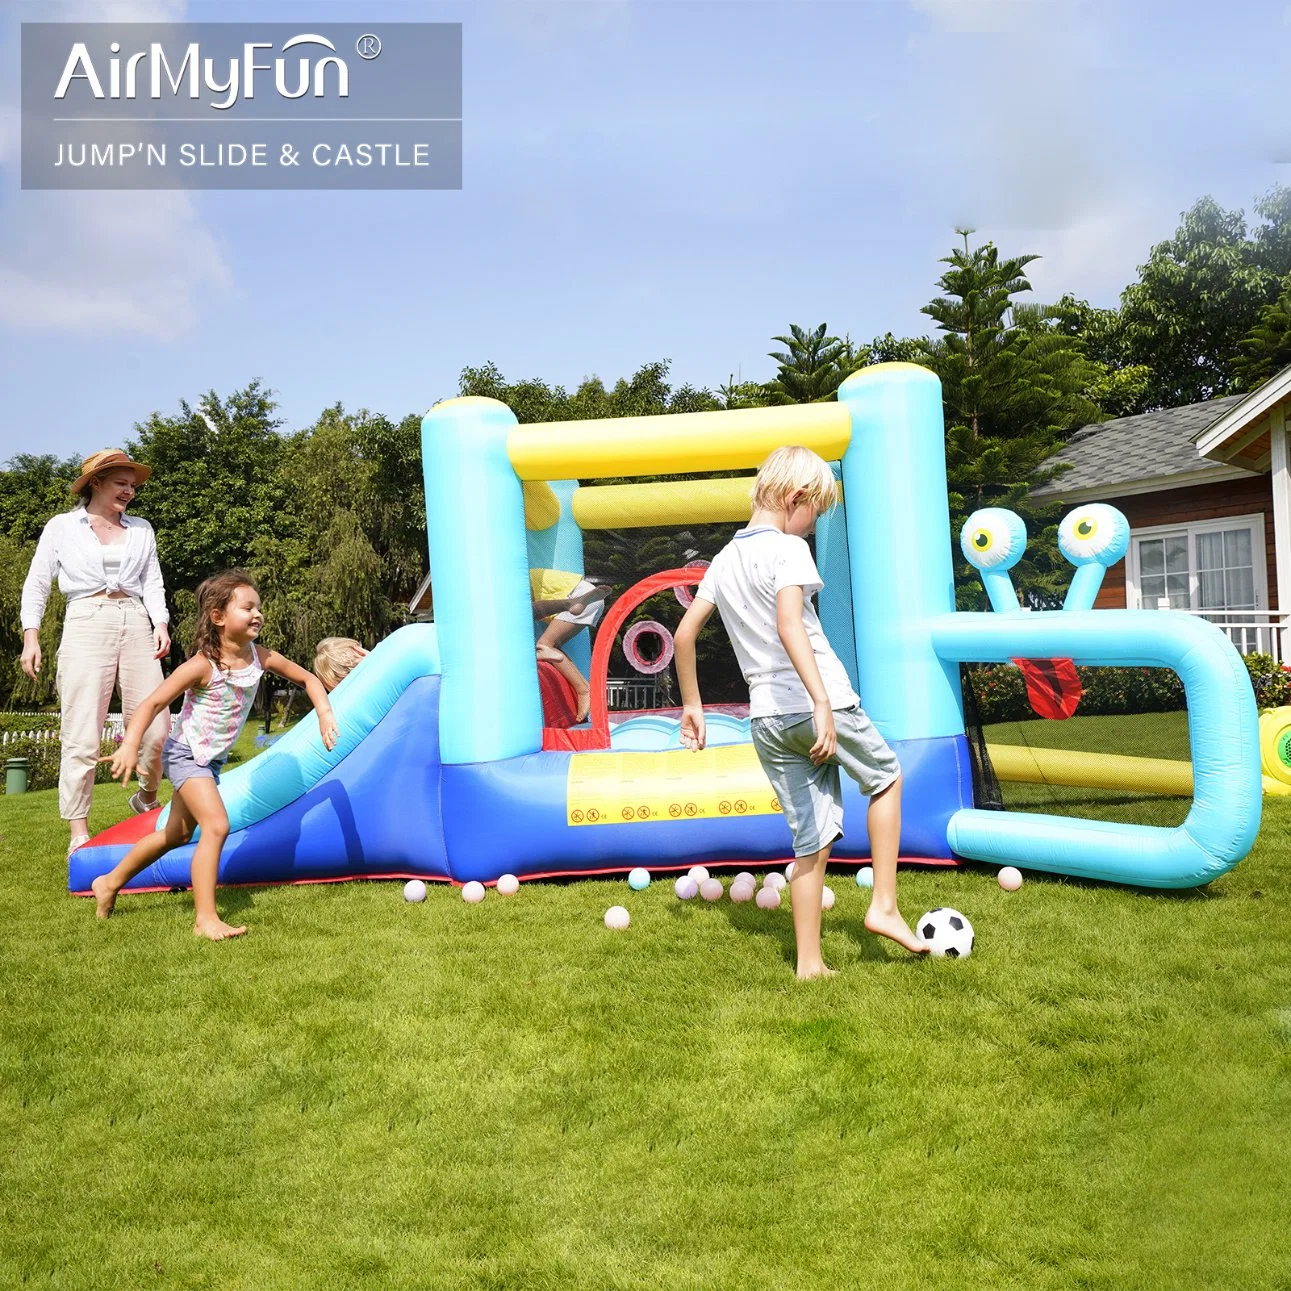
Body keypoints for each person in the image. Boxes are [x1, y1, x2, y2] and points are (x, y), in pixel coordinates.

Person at [673, 445, 928, 979]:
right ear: (796, 498)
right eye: (814, 515)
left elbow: (683, 634)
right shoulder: (787, 550)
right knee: (885, 777)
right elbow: (791, 624)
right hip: (818, 701)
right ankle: (883, 905)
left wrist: (693, 705)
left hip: (766, 720)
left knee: (809, 841)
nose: (811, 528)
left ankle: (809, 965)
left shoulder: (723, 560)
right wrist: (819, 701)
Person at [92, 570, 339, 941]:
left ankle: (108, 882)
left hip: (213, 759)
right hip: (186, 755)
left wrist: (324, 713)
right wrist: (129, 744)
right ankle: (205, 918)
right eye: (247, 607)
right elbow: (154, 702)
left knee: (176, 834)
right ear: (218, 617)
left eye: (259, 607)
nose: (258, 614)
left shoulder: (261, 657)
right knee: (217, 825)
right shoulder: (202, 665)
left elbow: (308, 679)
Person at [19, 449, 171, 856]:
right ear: (96, 483)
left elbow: (152, 581)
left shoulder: (142, 529)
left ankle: (146, 796)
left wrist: (160, 623)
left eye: (133, 486)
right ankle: (79, 833)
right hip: (86, 620)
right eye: (121, 483)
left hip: (136, 620)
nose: (130, 491)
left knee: (157, 729)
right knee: (82, 732)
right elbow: (37, 583)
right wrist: (30, 636)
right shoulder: (62, 527)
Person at [530, 572, 614, 722]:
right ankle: (582, 687)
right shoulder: (525, 574)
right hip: (587, 595)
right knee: (550, 645)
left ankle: (584, 690)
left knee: (544, 645)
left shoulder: (518, 579)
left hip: (579, 596)